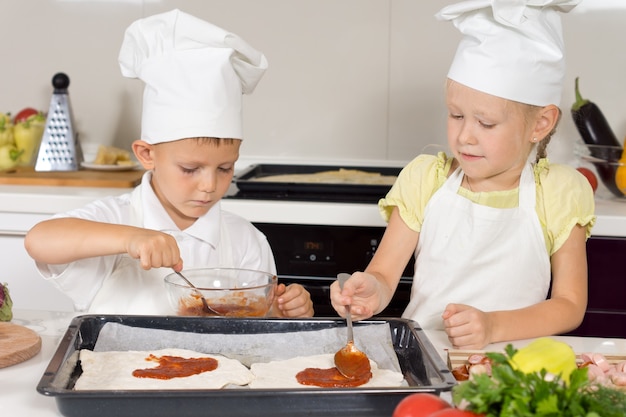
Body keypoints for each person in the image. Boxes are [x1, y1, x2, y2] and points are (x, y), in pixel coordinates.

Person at [330, 0, 595, 349]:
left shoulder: (559, 192)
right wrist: (370, 292)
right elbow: (384, 274)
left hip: (511, 368)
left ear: (540, 124)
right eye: (456, 115)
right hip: (423, 360)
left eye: (486, 123)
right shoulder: (426, 179)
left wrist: (492, 326)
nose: (465, 136)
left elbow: (570, 306)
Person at [24, 9, 313, 318]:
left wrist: (284, 314)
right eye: (190, 169)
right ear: (147, 155)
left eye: (225, 168)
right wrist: (132, 238)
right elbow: (39, 239)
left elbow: (259, 332)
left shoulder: (246, 242)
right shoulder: (119, 218)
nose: (209, 186)